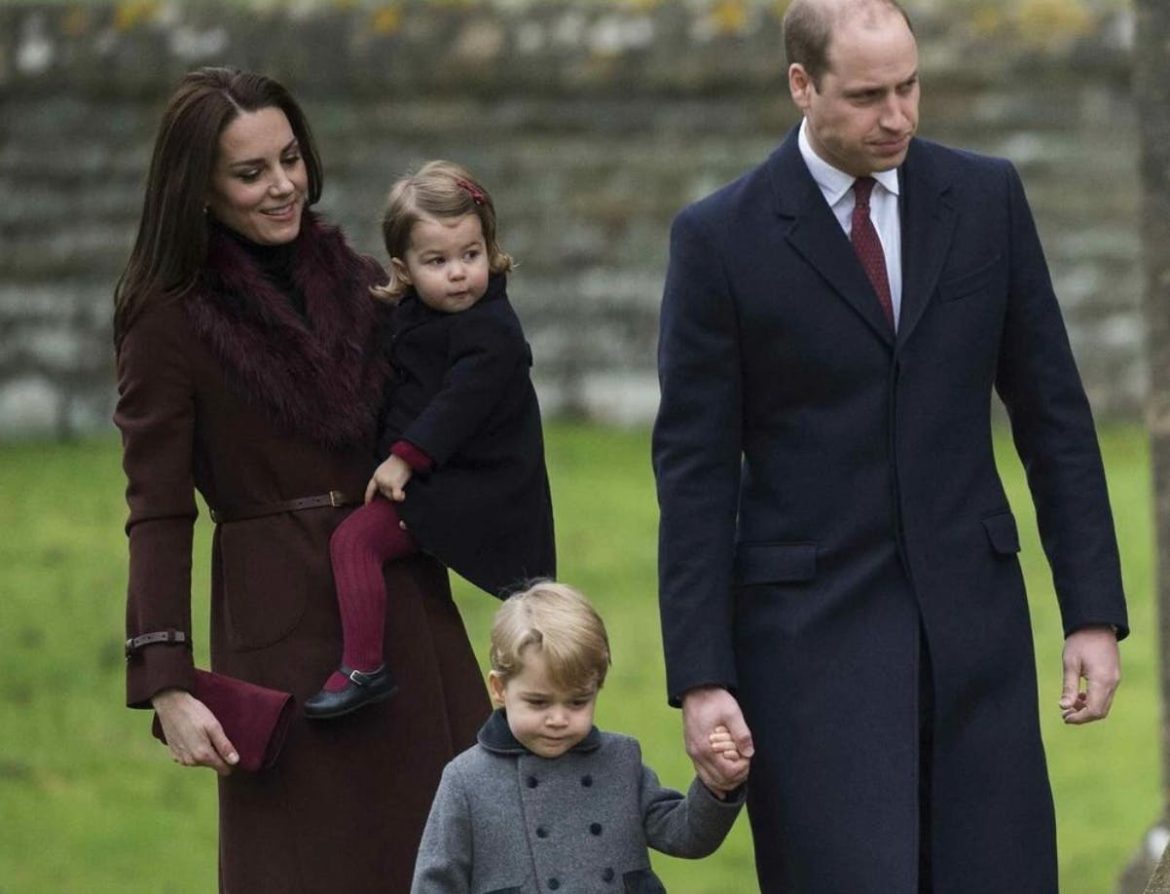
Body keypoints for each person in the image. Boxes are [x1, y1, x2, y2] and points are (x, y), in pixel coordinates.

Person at [651, 1, 1129, 891]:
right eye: (869, 95)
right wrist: (702, 675)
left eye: (910, 86)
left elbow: (1054, 416)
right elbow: (695, 475)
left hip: (976, 633)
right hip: (806, 651)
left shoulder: (988, 199)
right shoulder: (718, 240)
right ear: (802, 85)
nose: (900, 115)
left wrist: (1092, 611)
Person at [113, 67, 489, 892]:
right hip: (275, 624)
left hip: (403, 601)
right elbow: (158, 508)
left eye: (290, 159)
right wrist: (167, 682)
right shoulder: (166, 316)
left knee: (459, 852)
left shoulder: (368, 283)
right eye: (251, 173)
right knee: (311, 863)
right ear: (199, 190)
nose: (283, 185)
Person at [305, 161, 556, 719]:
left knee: (355, 543)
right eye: (437, 262)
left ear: (489, 247)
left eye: (470, 255)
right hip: (442, 480)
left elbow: (457, 405)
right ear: (404, 267)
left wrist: (402, 459)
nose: (460, 273)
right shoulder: (414, 317)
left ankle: (363, 667)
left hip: (471, 490)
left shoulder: (493, 331)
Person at [410, 581, 747, 894]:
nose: (558, 719)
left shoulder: (620, 760)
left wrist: (716, 785)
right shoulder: (466, 780)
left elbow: (686, 836)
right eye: (538, 702)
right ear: (499, 689)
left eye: (577, 702)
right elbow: (435, 884)